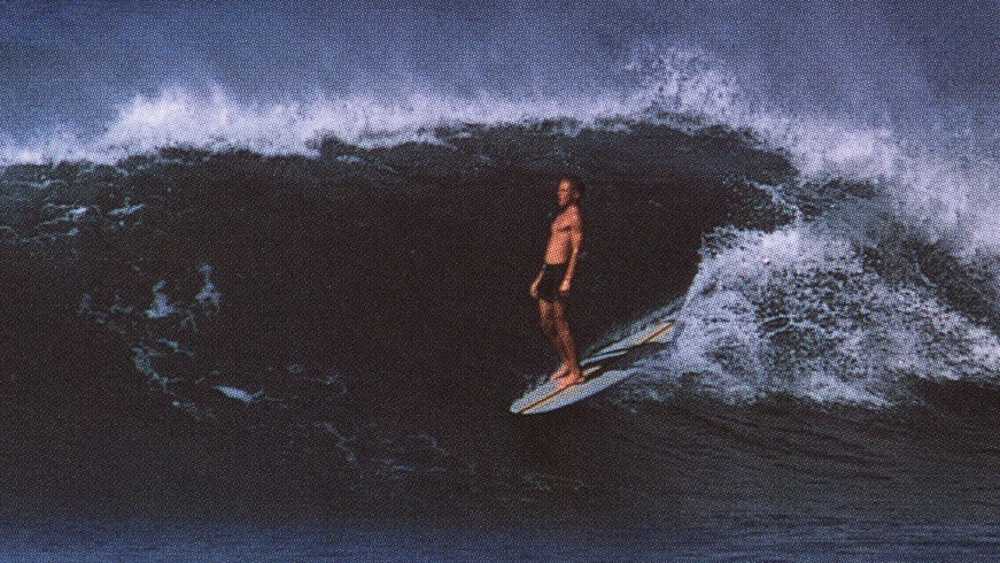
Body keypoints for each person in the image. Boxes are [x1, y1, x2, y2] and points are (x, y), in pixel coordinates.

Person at [529, 175, 585, 390]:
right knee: (546, 323)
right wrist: (539, 277)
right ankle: (567, 363)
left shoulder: (575, 217)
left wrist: (568, 279)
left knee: (561, 323)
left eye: (564, 191)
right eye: (559, 190)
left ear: (575, 194)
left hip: (561, 273)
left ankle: (577, 372)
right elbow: (552, 247)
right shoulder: (561, 216)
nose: (559, 194)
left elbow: (576, 250)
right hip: (549, 271)